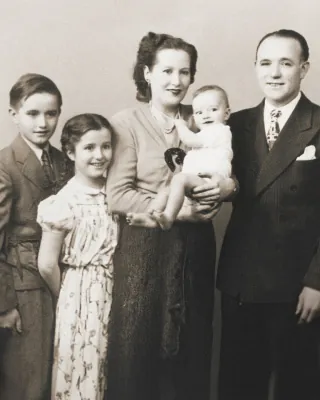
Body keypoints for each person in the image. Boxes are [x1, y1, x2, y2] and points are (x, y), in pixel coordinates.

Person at [106, 32, 236, 400]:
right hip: (144, 251)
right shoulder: (126, 122)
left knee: (192, 352)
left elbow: (229, 168)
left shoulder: (204, 117)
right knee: (137, 354)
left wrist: (228, 188)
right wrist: (180, 214)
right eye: (166, 71)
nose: (176, 81)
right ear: (147, 73)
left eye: (185, 72)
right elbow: (118, 196)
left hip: (195, 251)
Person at [217, 29, 320, 400]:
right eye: (265, 63)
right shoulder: (234, 125)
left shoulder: (319, 123)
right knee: (239, 385)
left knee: (299, 385)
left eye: (286, 63)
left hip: (298, 286)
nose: (274, 73)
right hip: (241, 279)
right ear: (256, 68)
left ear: (304, 68)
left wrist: (317, 282)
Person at [37, 113, 118, 400]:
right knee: (85, 369)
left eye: (106, 146)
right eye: (89, 148)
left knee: (115, 370)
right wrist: (72, 294)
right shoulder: (64, 201)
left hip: (118, 290)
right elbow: (47, 264)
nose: (99, 155)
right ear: (71, 153)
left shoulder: (117, 192)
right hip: (80, 294)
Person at [0, 73, 70, 399]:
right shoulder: (4, 164)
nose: (43, 123)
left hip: (61, 278)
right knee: (27, 378)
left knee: (58, 374)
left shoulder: (63, 161)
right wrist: (4, 305)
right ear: (14, 114)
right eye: (32, 114)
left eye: (51, 113)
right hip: (22, 285)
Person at [127, 84, 232, 230]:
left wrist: (180, 125)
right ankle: (151, 216)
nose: (206, 115)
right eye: (199, 112)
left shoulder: (219, 131)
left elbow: (190, 140)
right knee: (165, 191)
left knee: (179, 179)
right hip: (197, 183)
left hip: (208, 184)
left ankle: (169, 217)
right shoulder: (205, 134)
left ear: (226, 114)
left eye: (213, 110)